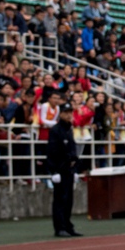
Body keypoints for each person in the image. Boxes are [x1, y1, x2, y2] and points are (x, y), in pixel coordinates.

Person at [45, 100, 81, 236]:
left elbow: (73, 148)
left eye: (70, 112)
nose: (69, 115)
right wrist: (54, 171)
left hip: (69, 169)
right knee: (60, 199)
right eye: (66, 112)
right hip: (60, 169)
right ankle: (60, 227)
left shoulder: (69, 129)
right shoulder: (56, 130)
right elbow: (52, 151)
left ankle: (67, 225)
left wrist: (75, 166)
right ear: (60, 114)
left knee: (69, 199)